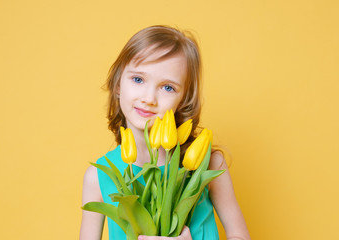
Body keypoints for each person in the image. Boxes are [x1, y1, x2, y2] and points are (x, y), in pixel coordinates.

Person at [80, 25, 250, 240]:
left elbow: (240, 236)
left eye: (168, 87)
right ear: (117, 84)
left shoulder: (207, 164)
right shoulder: (99, 176)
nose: (149, 98)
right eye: (138, 79)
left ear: (183, 100)